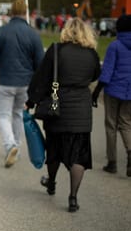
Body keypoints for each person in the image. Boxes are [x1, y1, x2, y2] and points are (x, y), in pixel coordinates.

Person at [27, 18, 101, 212]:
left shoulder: (56, 51)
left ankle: (51, 182)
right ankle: (73, 197)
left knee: (54, 149)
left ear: (66, 31)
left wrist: (31, 100)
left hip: (57, 107)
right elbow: (95, 75)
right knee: (79, 155)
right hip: (81, 111)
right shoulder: (92, 54)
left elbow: (42, 78)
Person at [0, 0, 44, 168]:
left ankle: (10, 145)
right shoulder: (33, 34)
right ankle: (16, 148)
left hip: (6, 81)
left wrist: (0, 69)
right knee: (18, 114)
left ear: (11, 12)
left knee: (4, 115)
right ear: (26, 12)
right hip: (26, 82)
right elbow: (40, 62)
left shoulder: (2, 32)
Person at [92, 14, 131, 177]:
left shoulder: (115, 46)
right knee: (127, 123)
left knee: (111, 125)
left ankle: (112, 162)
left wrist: (95, 92)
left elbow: (107, 72)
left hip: (113, 90)